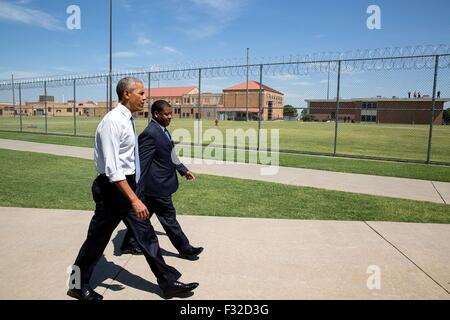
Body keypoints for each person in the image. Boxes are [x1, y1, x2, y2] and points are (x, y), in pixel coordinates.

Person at [67, 78, 198, 300]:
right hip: (112, 190)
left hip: (127, 186)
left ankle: (167, 283)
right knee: (96, 241)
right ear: (126, 94)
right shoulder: (112, 122)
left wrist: (136, 191)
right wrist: (135, 199)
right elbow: (113, 168)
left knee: (147, 236)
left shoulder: (128, 119)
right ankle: (76, 285)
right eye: (141, 93)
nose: (145, 98)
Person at [120, 100, 204, 261]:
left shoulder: (162, 130)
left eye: (171, 113)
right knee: (169, 218)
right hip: (157, 187)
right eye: (166, 114)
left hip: (158, 186)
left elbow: (169, 155)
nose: (170, 117)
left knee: (144, 216)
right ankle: (185, 249)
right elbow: (142, 165)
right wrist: (137, 192)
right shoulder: (150, 133)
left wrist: (183, 170)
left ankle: (129, 244)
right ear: (156, 114)